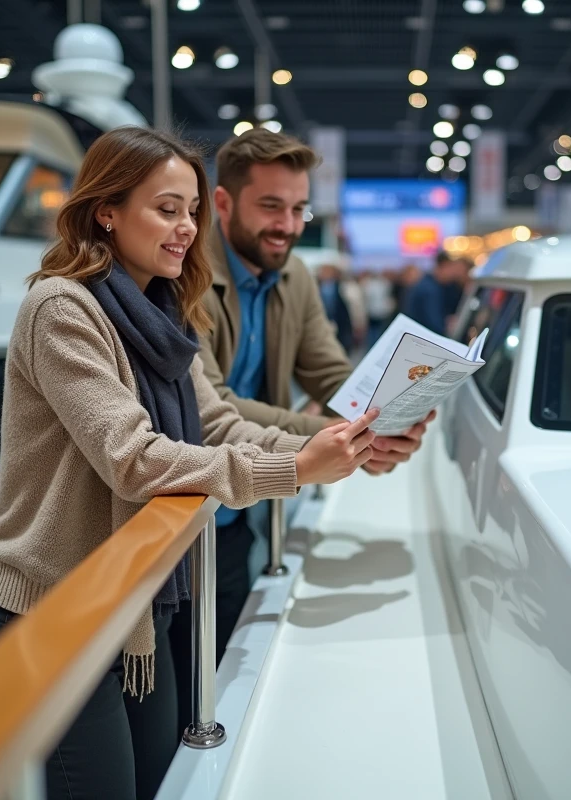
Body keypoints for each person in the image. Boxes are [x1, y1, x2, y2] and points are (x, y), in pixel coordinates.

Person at [0, 126, 380, 800]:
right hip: (55, 617)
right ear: (107, 209)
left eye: (190, 210)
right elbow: (132, 459)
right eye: (167, 209)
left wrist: (320, 447)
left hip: (131, 605)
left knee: (167, 782)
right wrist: (296, 470)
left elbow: (216, 420)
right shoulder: (61, 309)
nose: (186, 228)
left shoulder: (163, 310)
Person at [169, 129, 435, 716]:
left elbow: (333, 376)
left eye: (297, 209)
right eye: (270, 206)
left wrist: (381, 420)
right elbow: (212, 408)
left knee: (219, 667)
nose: (287, 226)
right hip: (172, 505)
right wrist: (333, 441)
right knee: (169, 688)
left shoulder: (296, 277)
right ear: (222, 204)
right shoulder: (180, 278)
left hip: (236, 509)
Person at [402, 250, 469, 334]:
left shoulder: (428, 283)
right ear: (445, 266)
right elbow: (435, 326)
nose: (455, 274)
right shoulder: (430, 290)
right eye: (453, 269)